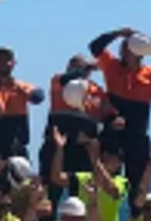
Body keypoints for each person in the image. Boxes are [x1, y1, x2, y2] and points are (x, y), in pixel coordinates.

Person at [88, 26, 151, 177]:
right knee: (107, 179)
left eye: (127, 47)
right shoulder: (111, 65)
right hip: (113, 133)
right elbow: (95, 46)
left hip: (137, 135)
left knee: (137, 183)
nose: (123, 50)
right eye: (124, 46)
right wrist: (118, 33)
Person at [43, 53, 111, 188]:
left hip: (83, 151)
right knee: (50, 188)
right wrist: (83, 69)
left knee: (82, 190)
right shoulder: (59, 82)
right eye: (73, 64)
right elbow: (66, 78)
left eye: (80, 65)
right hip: (57, 146)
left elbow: (107, 113)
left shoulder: (97, 91)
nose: (76, 68)